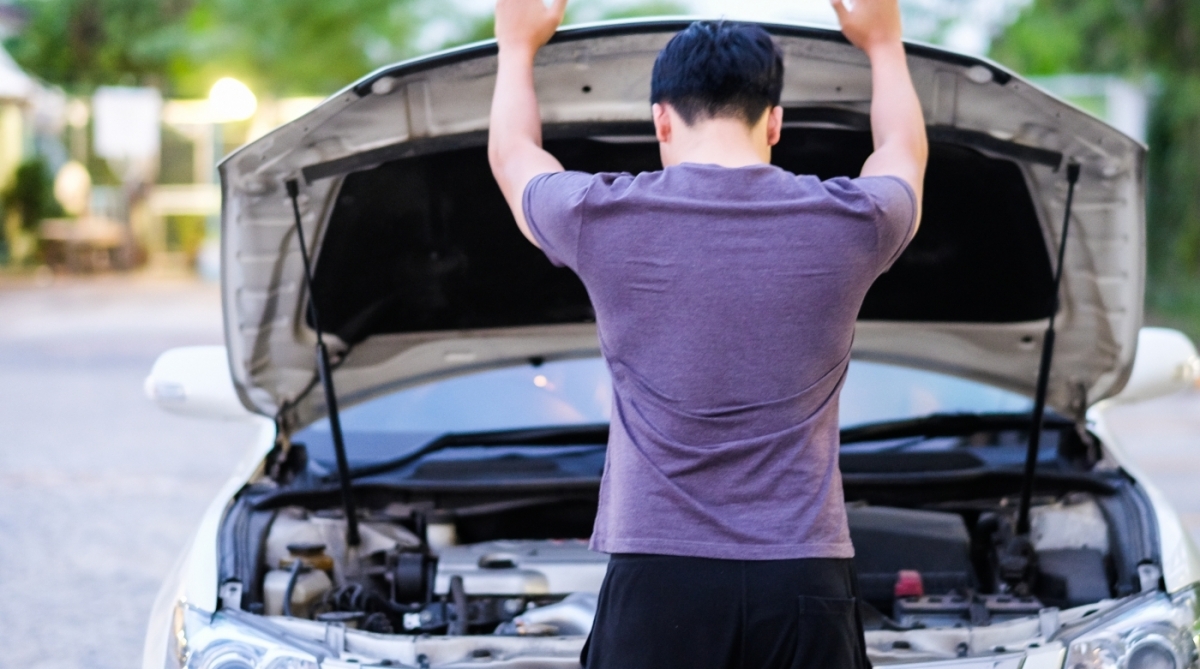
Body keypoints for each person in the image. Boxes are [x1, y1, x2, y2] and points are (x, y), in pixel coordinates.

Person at [488, 0, 927, 666]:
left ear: (660, 118)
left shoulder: (598, 215)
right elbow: (903, 152)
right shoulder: (855, 220)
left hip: (659, 582)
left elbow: (513, 155)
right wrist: (884, 44)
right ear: (775, 122)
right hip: (803, 579)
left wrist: (517, 46)